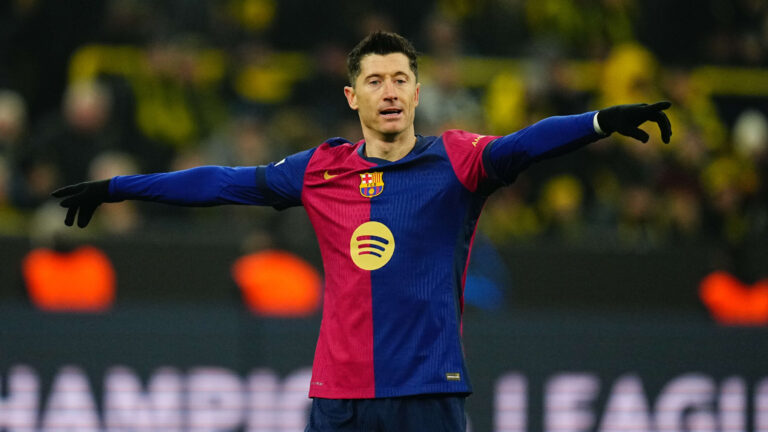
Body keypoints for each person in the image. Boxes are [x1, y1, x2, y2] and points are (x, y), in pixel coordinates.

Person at [52, 31, 672, 432]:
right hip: (342, 400)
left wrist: (599, 120)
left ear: (418, 90)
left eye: (401, 78)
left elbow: (526, 143)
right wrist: (117, 188)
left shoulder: (457, 160)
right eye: (375, 81)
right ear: (353, 96)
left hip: (431, 392)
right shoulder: (321, 170)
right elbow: (220, 182)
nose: (390, 91)